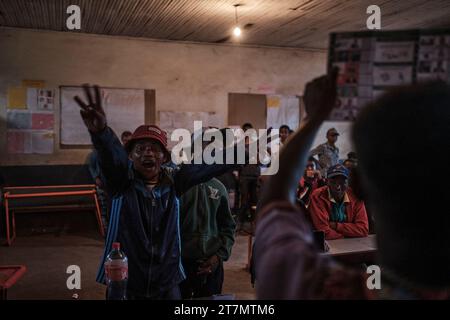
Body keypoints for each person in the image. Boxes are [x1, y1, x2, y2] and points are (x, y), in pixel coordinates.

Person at [255, 68, 450, 299]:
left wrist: (313, 117)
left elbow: (275, 203)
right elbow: (333, 227)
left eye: (335, 136)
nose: (334, 139)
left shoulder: (319, 290)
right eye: (332, 136)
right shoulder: (319, 193)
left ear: (356, 184)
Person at [73, 85, 242, 300]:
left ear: (164, 157)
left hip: (167, 282)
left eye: (154, 149)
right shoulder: (121, 185)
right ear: (131, 157)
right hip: (126, 281)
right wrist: (101, 133)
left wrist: (243, 153)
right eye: (140, 149)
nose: (147, 153)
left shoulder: (175, 183)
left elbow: (206, 166)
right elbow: (111, 159)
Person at [179, 130, 236, 299]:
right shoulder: (178, 185)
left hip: (212, 263)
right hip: (181, 263)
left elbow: (228, 226)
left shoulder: (219, 187)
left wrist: (218, 256)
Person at [308, 164, 368, 240]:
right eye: (333, 182)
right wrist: (345, 236)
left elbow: (363, 229)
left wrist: (335, 226)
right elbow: (323, 232)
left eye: (342, 182)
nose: (338, 187)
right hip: (329, 245)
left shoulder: (355, 196)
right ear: (327, 182)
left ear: (348, 182)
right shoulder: (317, 196)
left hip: (353, 245)